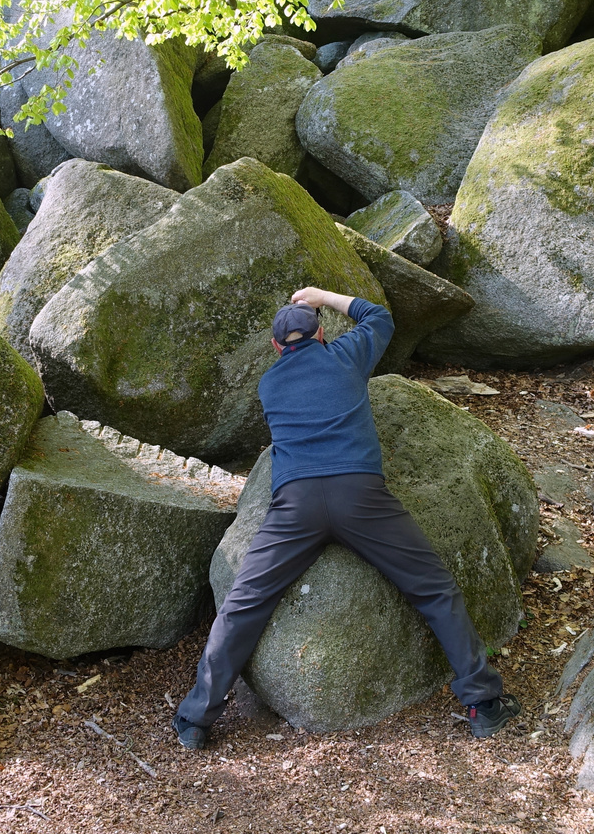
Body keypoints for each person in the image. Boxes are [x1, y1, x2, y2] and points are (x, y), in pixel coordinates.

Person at [171, 287, 522, 751]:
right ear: (320, 334)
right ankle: (482, 705)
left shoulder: (270, 383)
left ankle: (197, 719)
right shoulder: (344, 356)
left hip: (295, 506)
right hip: (361, 498)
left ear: (276, 347)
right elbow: (378, 315)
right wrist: (321, 296)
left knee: (244, 603)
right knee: (433, 588)